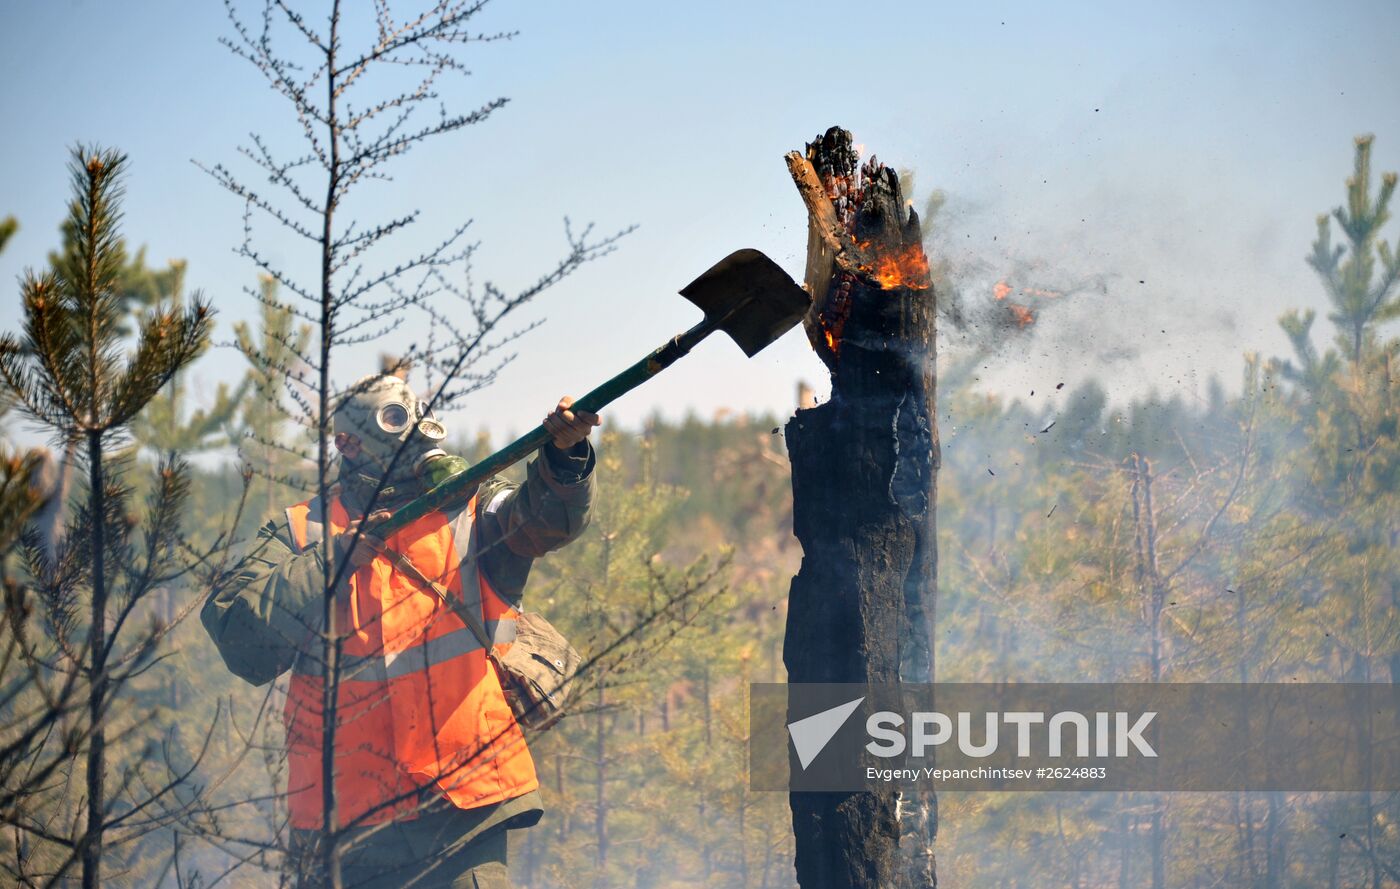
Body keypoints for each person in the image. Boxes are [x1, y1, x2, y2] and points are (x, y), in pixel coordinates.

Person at [202, 373, 600, 888]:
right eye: (388, 423)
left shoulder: (473, 507)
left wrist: (565, 461)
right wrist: (333, 561)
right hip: (344, 826)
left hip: (464, 806)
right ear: (345, 441)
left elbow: (543, 520)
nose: (406, 437)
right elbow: (239, 637)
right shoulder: (302, 531)